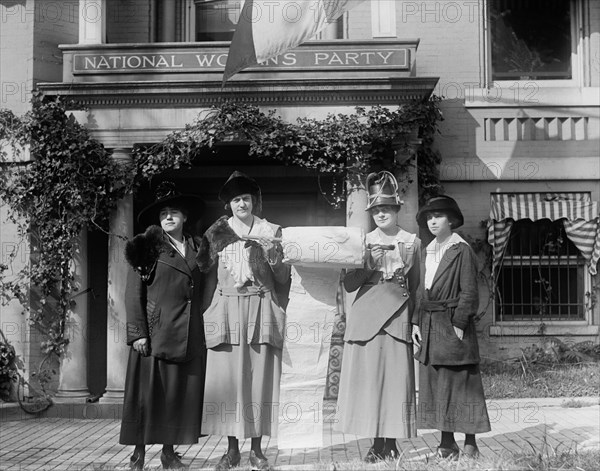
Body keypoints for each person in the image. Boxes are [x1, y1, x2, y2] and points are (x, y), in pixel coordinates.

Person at [197, 171, 291, 471]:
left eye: (246, 199)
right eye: (236, 199)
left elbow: (283, 279)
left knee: (259, 379)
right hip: (226, 310)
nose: (241, 204)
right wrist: (207, 314)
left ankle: (257, 450)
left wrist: (271, 253)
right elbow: (205, 277)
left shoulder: (271, 231)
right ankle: (231, 449)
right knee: (228, 382)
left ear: (254, 202)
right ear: (229, 204)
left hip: (261, 307)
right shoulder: (216, 233)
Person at [120, 181, 206, 470]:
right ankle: (138, 454)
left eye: (174, 213)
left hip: (188, 333)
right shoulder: (146, 245)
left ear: (184, 218)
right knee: (146, 397)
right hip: (155, 334)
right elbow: (133, 293)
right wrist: (138, 334)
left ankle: (169, 454)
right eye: (164, 213)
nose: (169, 217)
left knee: (174, 396)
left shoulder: (197, 246)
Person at [337, 171, 420, 462]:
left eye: (386, 208)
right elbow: (349, 284)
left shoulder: (411, 242)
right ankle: (376, 443)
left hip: (398, 315)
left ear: (397, 210)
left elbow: (417, 285)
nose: (381, 214)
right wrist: (369, 262)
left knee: (395, 379)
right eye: (376, 210)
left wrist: (416, 321)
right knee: (371, 379)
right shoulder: (362, 241)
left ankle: (392, 441)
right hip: (366, 316)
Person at [411, 195, 491, 460]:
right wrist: (415, 322)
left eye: (439, 216)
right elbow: (421, 291)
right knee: (438, 384)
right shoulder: (428, 250)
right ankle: (447, 445)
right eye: (429, 218)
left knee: (463, 382)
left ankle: (470, 444)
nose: (433, 221)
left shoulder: (462, 249)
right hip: (430, 325)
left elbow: (469, 291)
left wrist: (459, 323)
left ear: (452, 220)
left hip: (453, 325)